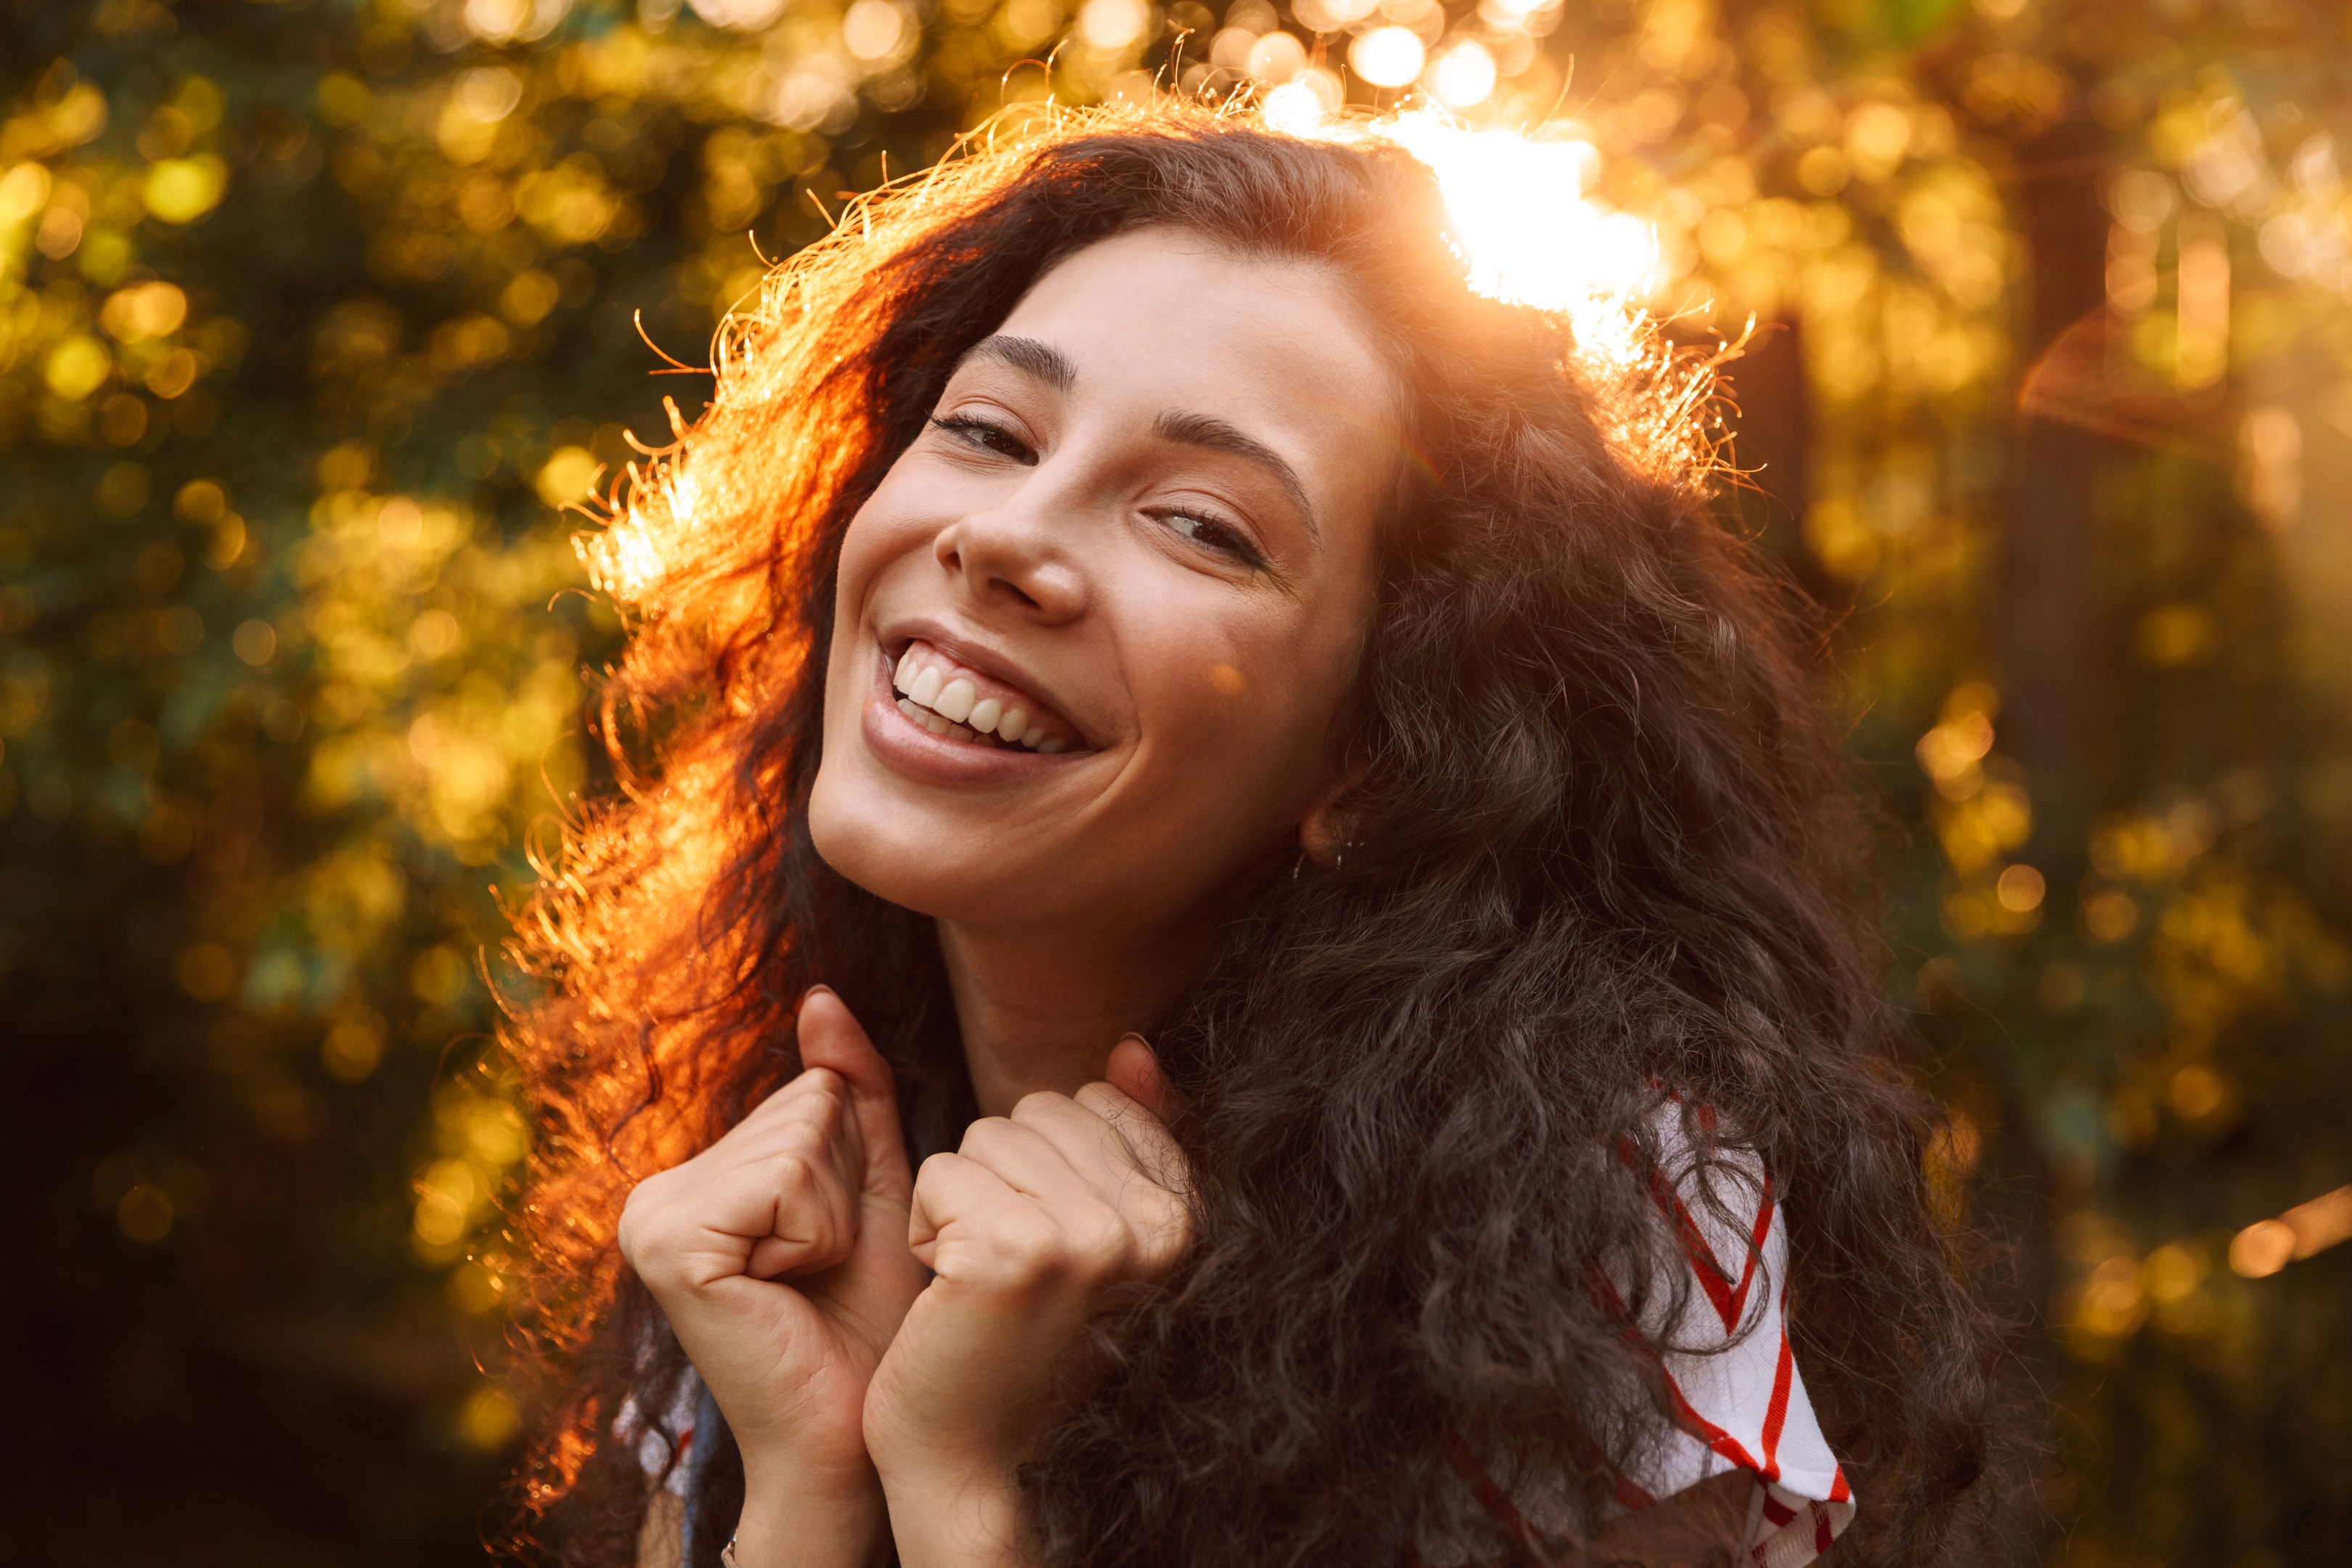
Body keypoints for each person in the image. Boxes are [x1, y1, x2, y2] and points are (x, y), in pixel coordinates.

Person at [501, 104, 1999, 1568]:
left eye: (1204, 524)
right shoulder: (770, 1198)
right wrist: (810, 1481)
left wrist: (959, 1488)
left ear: (1380, 751)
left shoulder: (1597, 1238)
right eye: (986, 429)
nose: (1009, 538)